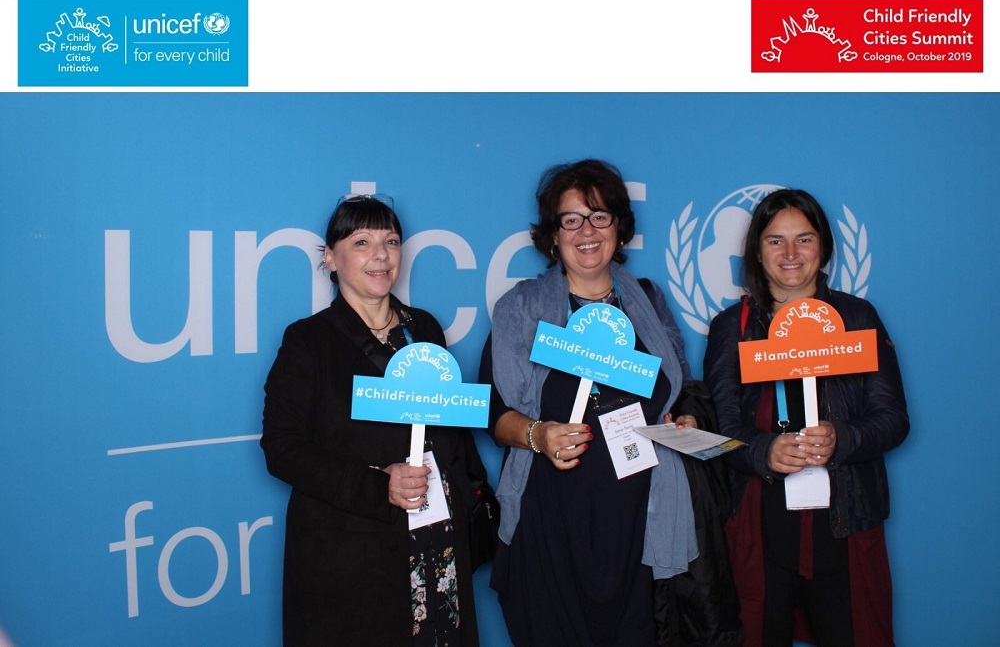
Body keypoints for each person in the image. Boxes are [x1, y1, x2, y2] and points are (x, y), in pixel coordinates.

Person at [481, 159, 741, 646]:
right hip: (551, 519)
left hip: (641, 519)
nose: (587, 231)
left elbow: (678, 386)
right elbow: (493, 412)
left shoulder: (648, 300)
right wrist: (538, 435)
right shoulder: (522, 309)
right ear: (553, 234)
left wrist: (684, 418)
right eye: (572, 219)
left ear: (618, 228)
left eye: (599, 216)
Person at [261, 195, 487, 646]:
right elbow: (282, 449)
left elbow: (450, 430)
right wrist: (377, 485)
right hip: (353, 556)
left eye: (391, 241)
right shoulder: (308, 341)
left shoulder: (425, 328)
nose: (381, 255)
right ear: (331, 257)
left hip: (437, 541)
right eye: (361, 242)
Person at [703, 189, 910, 646]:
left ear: (824, 246)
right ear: (757, 251)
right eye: (775, 241)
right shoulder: (733, 327)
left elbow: (892, 418)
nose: (791, 254)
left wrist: (843, 438)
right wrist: (763, 450)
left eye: (804, 239)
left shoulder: (857, 317)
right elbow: (722, 429)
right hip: (761, 526)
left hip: (846, 522)